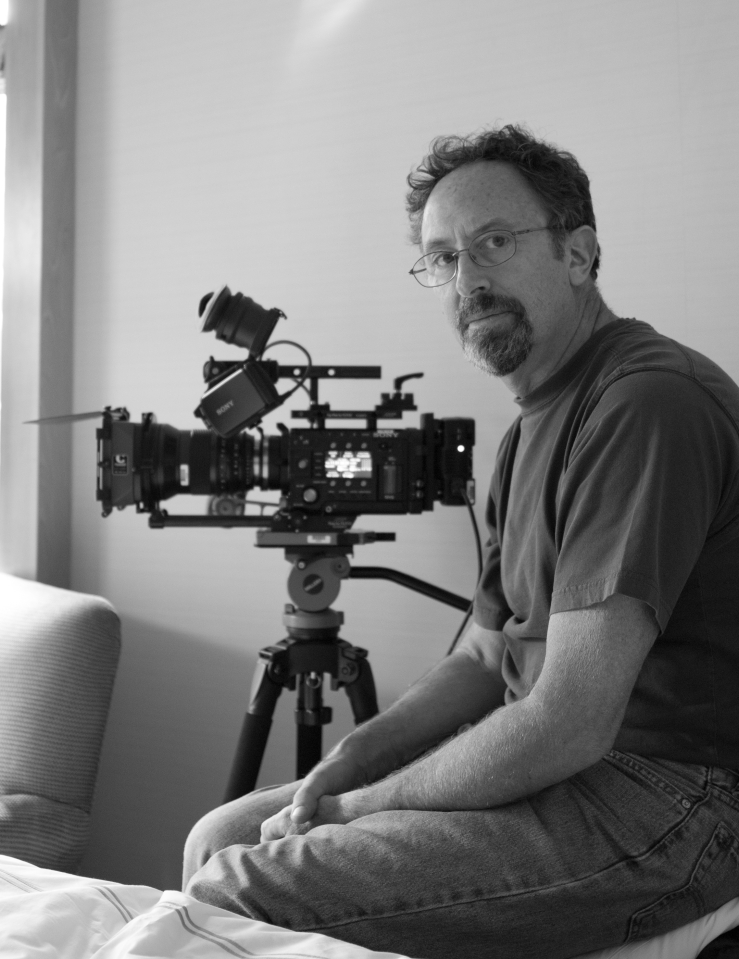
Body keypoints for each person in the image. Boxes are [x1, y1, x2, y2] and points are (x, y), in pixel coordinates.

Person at [182, 125, 739, 959]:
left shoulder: (644, 404)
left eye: (495, 243)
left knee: (238, 887)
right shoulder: (526, 433)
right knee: (219, 833)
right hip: (575, 771)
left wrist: (357, 810)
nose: (468, 279)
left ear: (578, 254)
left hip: (667, 799)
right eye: (442, 258)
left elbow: (568, 721)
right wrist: (350, 762)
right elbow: (484, 660)